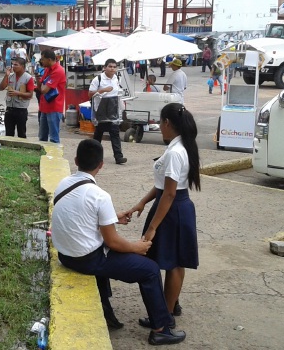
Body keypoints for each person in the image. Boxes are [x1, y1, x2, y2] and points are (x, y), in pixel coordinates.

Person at [51, 139, 186, 346]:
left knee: (114, 256)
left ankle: (107, 311)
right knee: (149, 269)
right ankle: (161, 329)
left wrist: (113, 217)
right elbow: (113, 242)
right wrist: (137, 247)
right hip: (87, 260)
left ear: (76, 160)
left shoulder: (64, 184)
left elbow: (79, 216)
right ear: (101, 164)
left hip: (65, 256)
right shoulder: (99, 196)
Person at [128, 103, 200, 332]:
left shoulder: (176, 152)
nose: (159, 127)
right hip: (171, 206)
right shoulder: (178, 147)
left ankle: (166, 315)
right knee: (170, 260)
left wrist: (152, 228)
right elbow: (162, 186)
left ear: (167, 123)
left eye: (160, 123)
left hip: (172, 210)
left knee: (174, 264)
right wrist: (142, 202)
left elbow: (169, 192)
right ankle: (167, 308)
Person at [90, 59, 127, 164]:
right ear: (104, 67)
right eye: (110, 66)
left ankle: (118, 157)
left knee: (115, 134)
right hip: (101, 111)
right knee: (98, 135)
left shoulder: (116, 78)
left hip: (113, 110)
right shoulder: (98, 79)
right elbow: (90, 94)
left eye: (114, 67)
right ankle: (94, 157)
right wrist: (103, 90)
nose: (112, 69)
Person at [0, 57, 34, 138]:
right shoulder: (10, 76)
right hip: (10, 108)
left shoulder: (28, 78)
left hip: (21, 109)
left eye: (16, 65)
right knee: (8, 133)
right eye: (13, 64)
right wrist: (6, 76)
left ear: (22, 66)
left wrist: (17, 93)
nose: (13, 66)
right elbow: (1, 88)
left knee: (21, 133)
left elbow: (30, 94)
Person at [38, 49, 66, 143]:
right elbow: (40, 85)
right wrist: (42, 84)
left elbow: (44, 89)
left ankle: (55, 157)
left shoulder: (58, 71)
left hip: (54, 107)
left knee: (54, 138)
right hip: (44, 106)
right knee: (42, 137)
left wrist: (42, 85)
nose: (41, 61)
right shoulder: (47, 69)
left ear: (49, 59)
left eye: (43, 59)